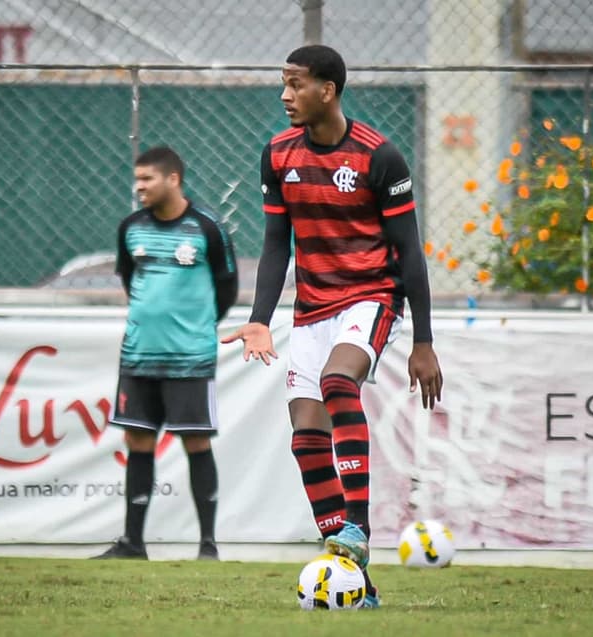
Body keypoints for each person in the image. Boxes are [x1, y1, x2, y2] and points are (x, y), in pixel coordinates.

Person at [221, 45, 443, 607]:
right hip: (312, 309)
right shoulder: (277, 153)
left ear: (329, 89)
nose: (284, 95)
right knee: (305, 438)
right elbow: (276, 247)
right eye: (283, 83)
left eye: (295, 84)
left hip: (371, 296)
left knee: (338, 383)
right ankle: (358, 582)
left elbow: (410, 254)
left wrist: (423, 341)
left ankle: (358, 528)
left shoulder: (379, 157)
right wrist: (258, 321)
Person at [94, 146, 238, 561]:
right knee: (137, 440)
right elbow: (129, 280)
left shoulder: (207, 227)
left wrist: (195, 326)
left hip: (190, 358)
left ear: (173, 179)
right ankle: (132, 543)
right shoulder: (130, 228)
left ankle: (208, 545)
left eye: (147, 179)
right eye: (137, 180)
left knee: (195, 441)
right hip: (139, 356)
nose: (139, 187)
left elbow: (225, 286)